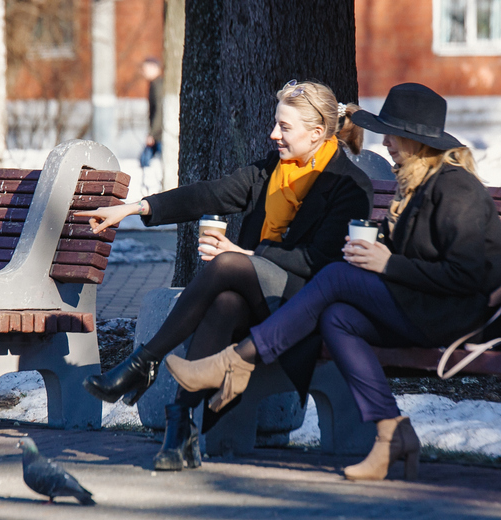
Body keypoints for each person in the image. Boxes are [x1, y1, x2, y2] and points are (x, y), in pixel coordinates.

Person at [165, 83, 501, 482]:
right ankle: (391, 432)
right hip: (422, 306)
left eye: (391, 134)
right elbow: (416, 255)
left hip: (459, 317)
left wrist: (388, 266)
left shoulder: (457, 189)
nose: (384, 141)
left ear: (416, 141)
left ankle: (237, 362)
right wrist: (377, 251)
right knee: (337, 317)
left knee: (335, 277)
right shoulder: (417, 184)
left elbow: (466, 275)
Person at [76, 80, 373, 471]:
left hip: (306, 309)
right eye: (276, 124)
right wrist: (134, 208)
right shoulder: (272, 170)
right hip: (259, 301)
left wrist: (246, 254)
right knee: (224, 304)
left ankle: (143, 363)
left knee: (228, 264)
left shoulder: (348, 185)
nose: (273, 134)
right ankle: (179, 431)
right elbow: (209, 194)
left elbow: (320, 262)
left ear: (317, 133)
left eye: (284, 127)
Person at [139, 57, 163, 169]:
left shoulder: (157, 85)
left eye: (146, 68)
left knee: (144, 160)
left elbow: (159, 110)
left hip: (159, 134)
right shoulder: (154, 84)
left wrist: (152, 134)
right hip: (158, 133)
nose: (143, 72)